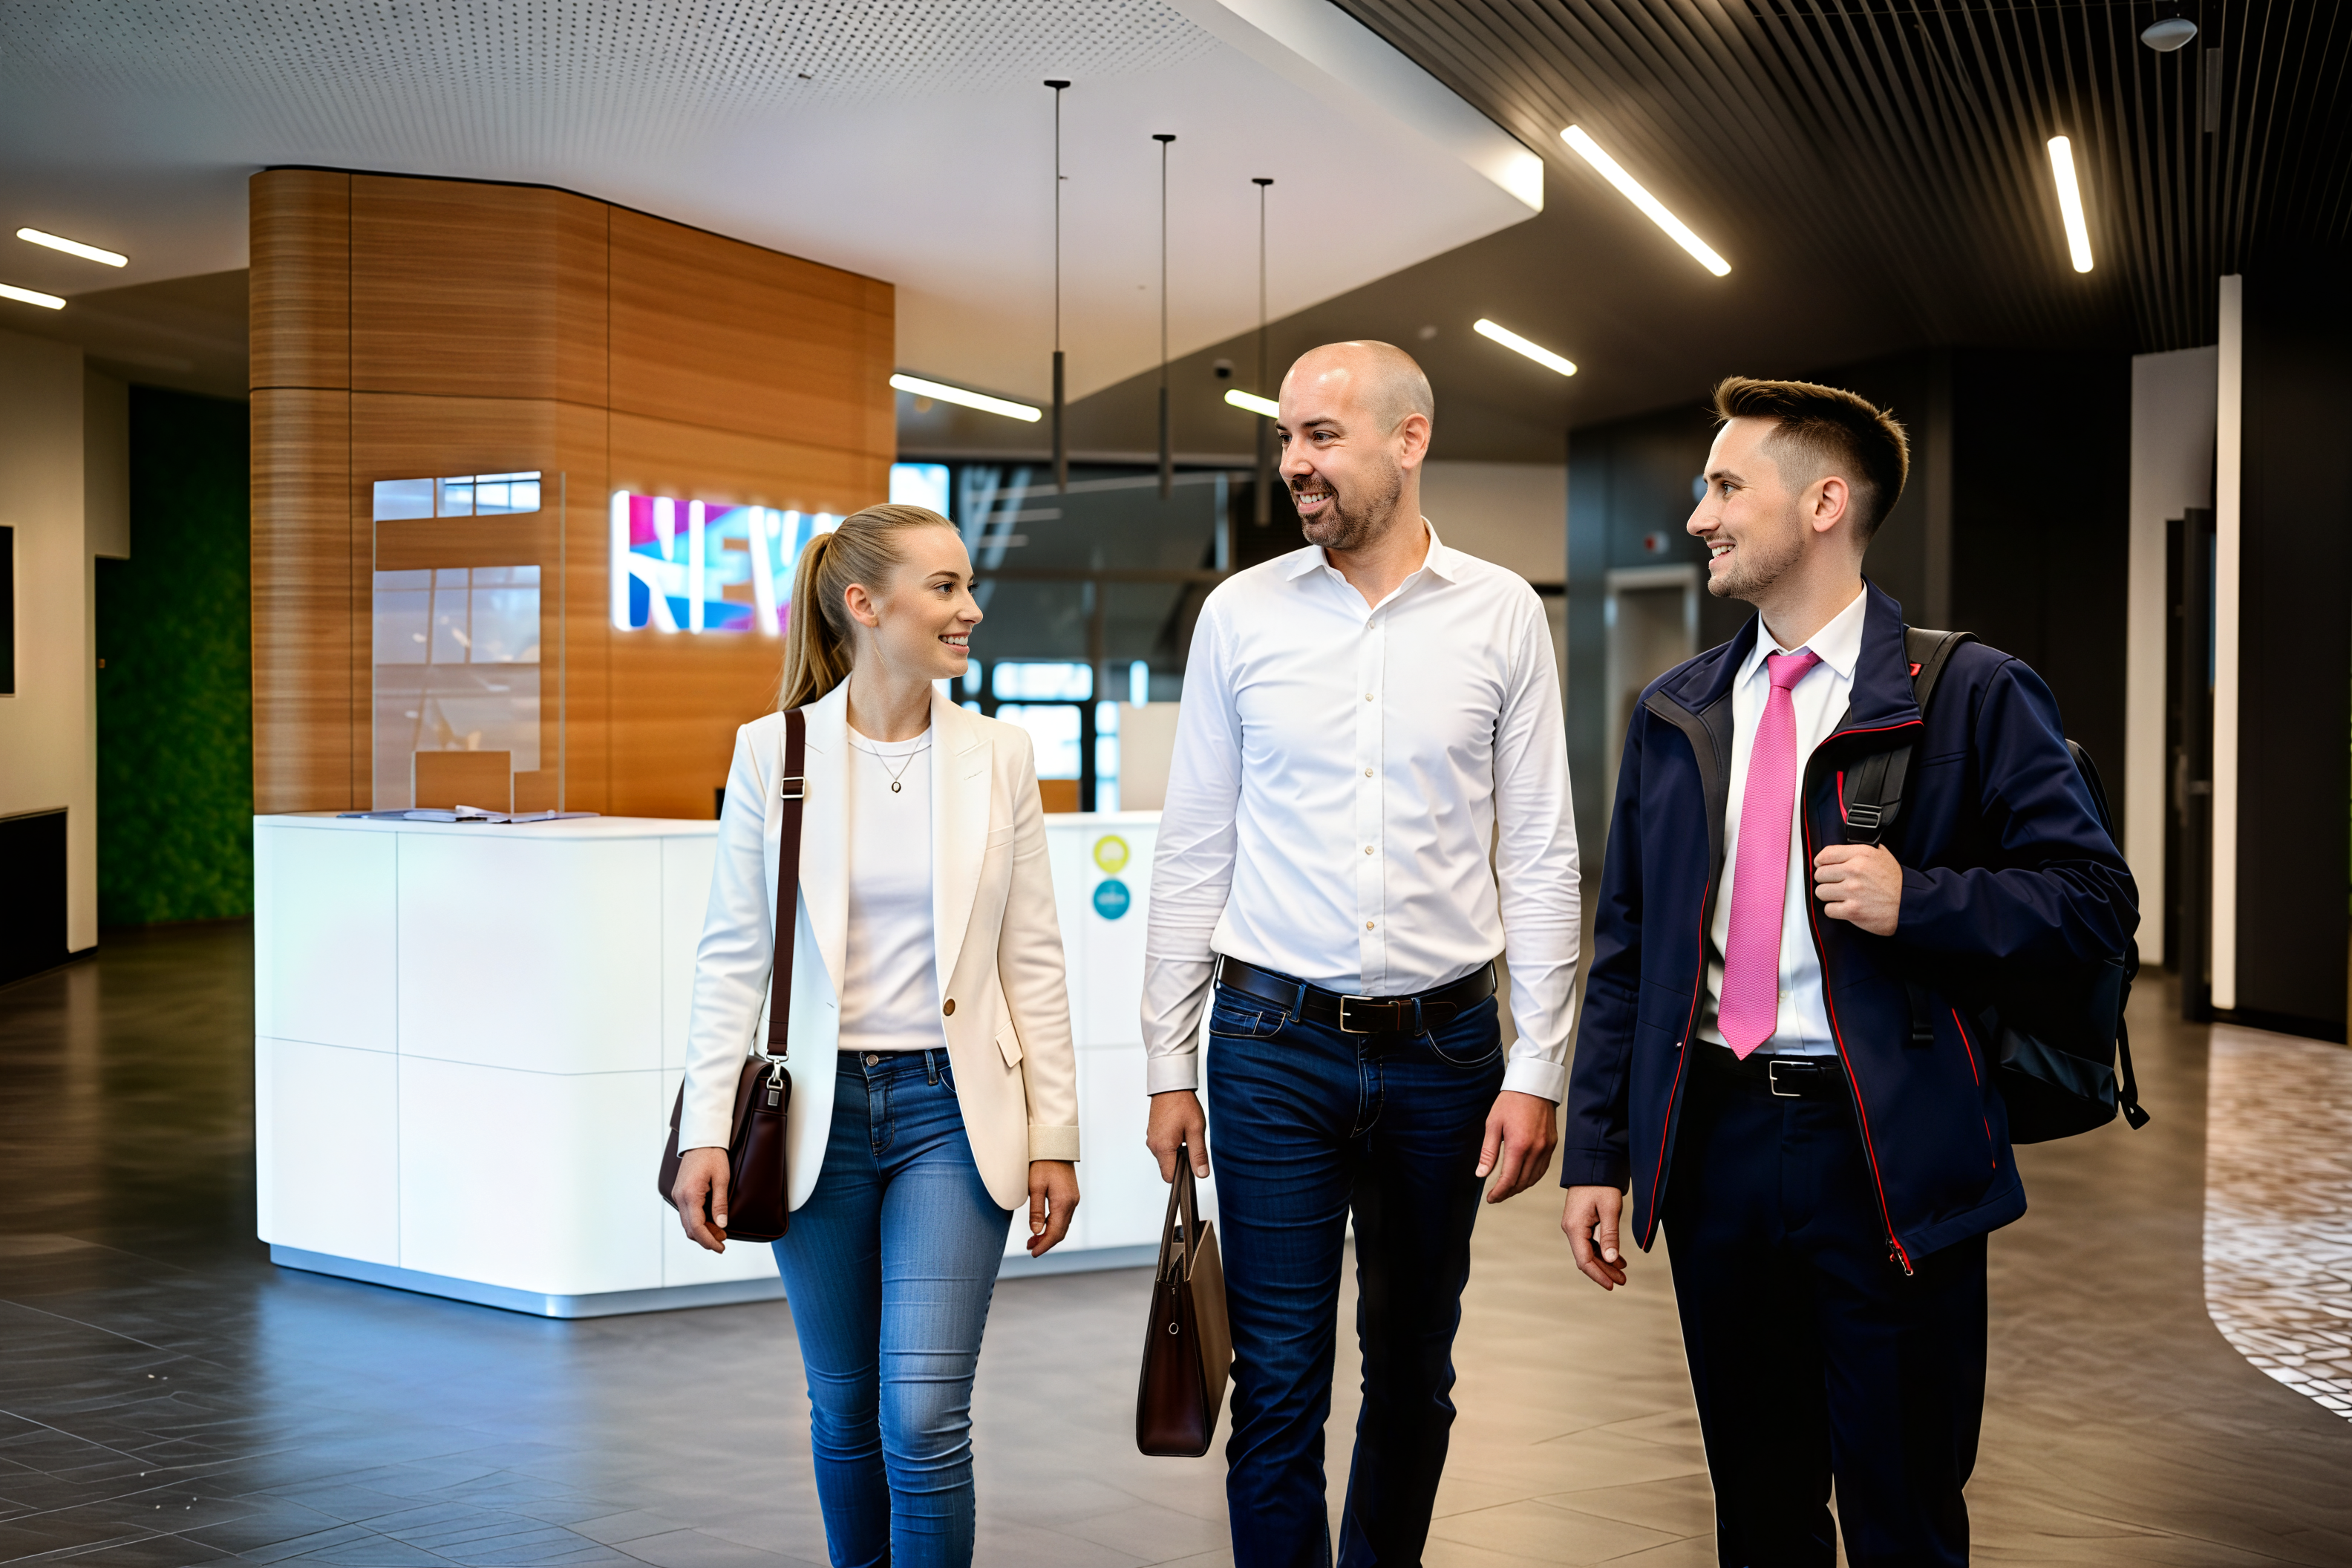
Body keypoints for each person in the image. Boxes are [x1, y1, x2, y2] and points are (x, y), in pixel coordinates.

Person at [1558, 379, 2137, 1566]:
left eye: (1726, 487)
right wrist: (1600, 1153)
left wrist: (1918, 899)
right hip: (1716, 1147)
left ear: (1824, 504)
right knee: (1757, 1514)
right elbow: (1627, 950)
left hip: (1887, 1155)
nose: (1700, 515)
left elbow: (2096, 903)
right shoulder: (1675, 711)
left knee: (1903, 1514)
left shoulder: (1971, 693)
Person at [1143, 341, 1581, 1567]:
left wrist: (1539, 1067)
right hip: (1271, 1046)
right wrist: (1168, 1066)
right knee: (1279, 1383)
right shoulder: (1241, 615)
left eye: (1322, 435)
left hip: (1448, 1053)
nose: (1294, 462)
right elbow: (1194, 849)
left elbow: (1543, 854)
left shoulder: (1501, 613)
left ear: (1410, 438)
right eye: (1287, 437)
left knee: (1413, 1376)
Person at [671, 503, 1080, 1568]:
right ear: (864, 604)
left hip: (955, 1112)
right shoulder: (775, 751)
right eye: (944, 587)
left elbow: (1033, 960)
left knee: (924, 1412)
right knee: (846, 1406)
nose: (970, 607)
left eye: (967, 585)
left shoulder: (999, 755)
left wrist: (1055, 1137)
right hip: (816, 1115)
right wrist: (705, 1132)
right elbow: (733, 956)